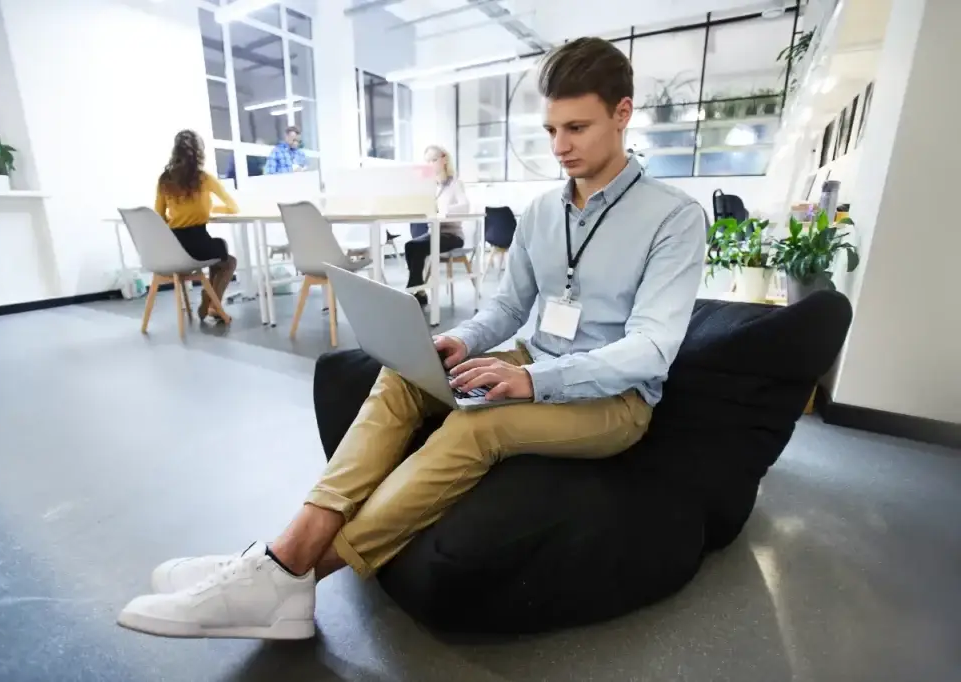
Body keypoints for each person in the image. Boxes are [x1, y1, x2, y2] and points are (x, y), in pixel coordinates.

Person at [118, 37, 707, 640]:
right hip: (536, 357)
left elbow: (653, 348)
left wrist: (532, 379)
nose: (560, 147)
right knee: (404, 376)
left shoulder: (674, 217)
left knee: (481, 424)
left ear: (623, 113)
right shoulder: (541, 212)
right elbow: (508, 305)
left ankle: (283, 574)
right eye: (552, 129)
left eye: (576, 128)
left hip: (615, 402)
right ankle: (279, 561)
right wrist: (462, 340)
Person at [154, 129, 240, 322]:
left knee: (219, 249)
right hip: (198, 243)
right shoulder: (204, 178)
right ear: (199, 153)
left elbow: (158, 216)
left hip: (174, 247)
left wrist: (179, 218)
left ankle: (210, 302)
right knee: (228, 260)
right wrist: (209, 209)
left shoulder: (164, 180)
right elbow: (233, 207)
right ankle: (210, 301)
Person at [404, 145, 470, 305]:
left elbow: (465, 206)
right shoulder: (430, 185)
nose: (431, 164)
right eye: (428, 161)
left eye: (434, 160)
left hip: (453, 235)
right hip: (434, 232)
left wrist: (444, 211)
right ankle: (418, 289)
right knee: (410, 246)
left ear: (444, 159)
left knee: (418, 247)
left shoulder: (455, 183)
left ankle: (414, 290)